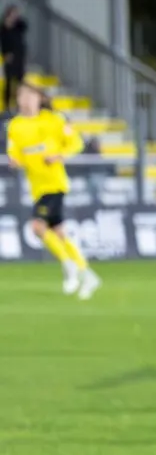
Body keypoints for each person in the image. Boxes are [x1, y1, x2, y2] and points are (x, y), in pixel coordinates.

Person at [6, 81, 98, 298]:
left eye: (30, 96)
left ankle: (69, 266)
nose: (26, 100)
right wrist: (15, 161)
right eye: (22, 96)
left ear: (40, 99)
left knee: (37, 227)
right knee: (59, 234)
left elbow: (76, 143)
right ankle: (87, 274)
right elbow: (15, 153)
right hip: (37, 187)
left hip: (55, 184)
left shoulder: (54, 120)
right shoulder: (15, 126)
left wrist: (58, 156)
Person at [1, 5, 27, 111]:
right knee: (9, 81)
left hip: (19, 56)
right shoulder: (4, 27)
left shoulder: (18, 26)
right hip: (9, 56)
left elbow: (25, 26)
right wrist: (5, 54)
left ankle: (18, 103)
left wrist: (17, 18)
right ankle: (6, 105)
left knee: (20, 81)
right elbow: (3, 41)